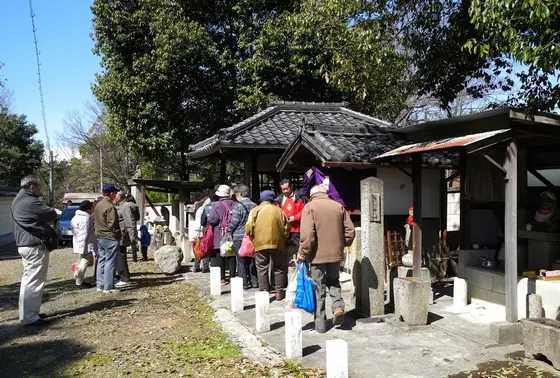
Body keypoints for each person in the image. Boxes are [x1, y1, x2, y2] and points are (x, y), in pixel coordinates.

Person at [297, 185, 355, 333]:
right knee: (334, 282)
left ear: (312, 195)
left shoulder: (309, 207)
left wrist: (302, 253)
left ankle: (321, 324)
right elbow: (350, 231)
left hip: (317, 256)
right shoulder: (338, 206)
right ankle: (337, 307)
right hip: (335, 254)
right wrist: (343, 243)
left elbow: (308, 236)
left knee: (319, 288)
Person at [11, 175, 58, 326]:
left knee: (28, 280)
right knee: (34, 281)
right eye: (38, 187)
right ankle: (31, 317)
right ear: (32, 186)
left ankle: (26, 314)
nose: (39, 190)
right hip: (33, 245)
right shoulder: (30, 201)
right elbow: (51, 214)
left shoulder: (18, 200)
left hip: (25, 245)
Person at [245, 190, 290, 300]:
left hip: (260, 243)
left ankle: (264, 292)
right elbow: (287, 229)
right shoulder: (279, 211)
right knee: (279, 267)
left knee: (262, 268)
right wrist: (282, 237)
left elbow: (248, 228)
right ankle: (279, 292)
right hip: (277, 243)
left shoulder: (255, 210)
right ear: (272, 200)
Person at [226, 184, 257, 289]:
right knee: (252, 260)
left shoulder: (238, 206)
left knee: (241, 261)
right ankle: (254, 282)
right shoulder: (255, 205)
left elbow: (234, 222)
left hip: (239, 237)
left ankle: (244, 283)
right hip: (252, 237)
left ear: (239, 194)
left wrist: (228, 230)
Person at [277, 179, 306, 286]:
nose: (285, 191)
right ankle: (284, 279)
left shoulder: (300, 198)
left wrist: (295, 217)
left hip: (297, 229)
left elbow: (304, 210)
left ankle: (299, 277)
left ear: (291, 187)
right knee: (284, 254)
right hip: (284, 230)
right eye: (283, 189)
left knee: (297, 253)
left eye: (287, 189)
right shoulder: (280, 199)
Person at [94, 183, 122, 293]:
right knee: (110, 262)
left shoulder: (98, 205)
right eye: (115, 193)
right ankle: (108, 287)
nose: (115, 195)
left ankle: (100, 285)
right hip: (110, 236)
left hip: (100, 236)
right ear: (111, 193)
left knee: (102, 260)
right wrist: (118, 234)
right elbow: (113, 224)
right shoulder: (110, 206)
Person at [208, 185, 236, 285]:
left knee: (220, 255)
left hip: (220, 232)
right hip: (233, 232)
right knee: (231, 254)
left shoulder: (216, 205)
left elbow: (212, 219)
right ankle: (233, 277)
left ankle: (222, 278)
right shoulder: (235, 204)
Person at [71, 200, 97, 288]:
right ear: (88, 209)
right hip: (84, 243)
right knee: (85, 261)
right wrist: (83, 246)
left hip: (79, 242)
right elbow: (84, 233)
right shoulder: (85, 218)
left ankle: (78, 276)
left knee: (83, 261)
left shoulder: (75, 217)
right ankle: (79, 281)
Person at [197, 193, 218, 273]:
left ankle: (205, 265)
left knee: (207, 246)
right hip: (218, 230)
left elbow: (202, 221)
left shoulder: (206, 207)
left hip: (208, 229)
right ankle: (215, 265)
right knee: (216, 248)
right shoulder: (220, 206)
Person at [115, 191, 132, 287]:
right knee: (121, 255)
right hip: (121, 233)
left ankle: (124, 277)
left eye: (116, 197)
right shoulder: (120, 206)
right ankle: (124, 276)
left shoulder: (125, 206)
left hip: (122, 233)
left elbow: (129, 221)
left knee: (120, 256)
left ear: (119, 197)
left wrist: (132, 236)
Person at [121, 195, 140, 261]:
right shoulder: (135, 206)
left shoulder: (124, 205)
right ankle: (134, 257)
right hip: (133, 224)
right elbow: (138, 217)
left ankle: (124, 257)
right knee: (133, 241)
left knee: (124, 241)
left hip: (124, 224)